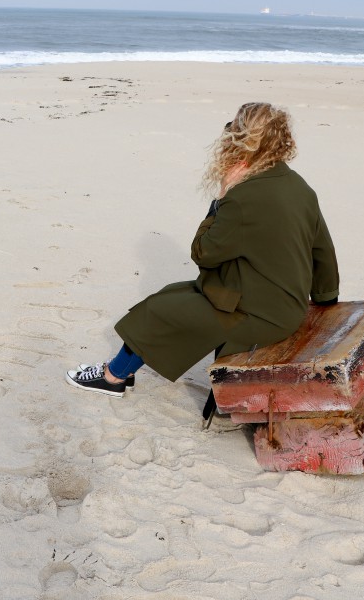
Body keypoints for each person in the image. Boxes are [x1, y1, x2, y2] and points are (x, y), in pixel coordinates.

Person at [66, 102, 339, 415]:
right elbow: (323, 250)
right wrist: (326, 300)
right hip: (285, 306)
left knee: (159, 309)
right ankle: (119, 373)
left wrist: (220, 199)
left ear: (243, 141)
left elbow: (204, 254)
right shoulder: (298, 185)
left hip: (257, 315)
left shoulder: (243, 196)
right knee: (174, 295)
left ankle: (112, 378)